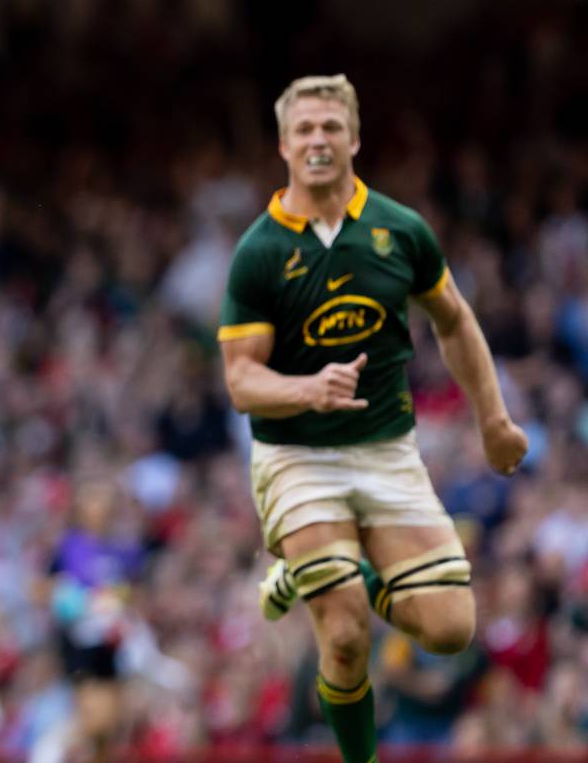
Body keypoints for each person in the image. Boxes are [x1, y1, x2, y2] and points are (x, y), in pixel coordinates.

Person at [218, 74, 529, 763]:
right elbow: (241, 382)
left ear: (354, 138)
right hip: (296, 456)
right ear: (283, 145)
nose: (318, 141)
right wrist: (307, 390)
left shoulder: (400, 230)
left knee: (450, 629)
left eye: (331, 127)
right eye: (304, 130)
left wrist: (494, 421)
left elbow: (454, 321)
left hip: (387, 453)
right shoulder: (260, 252)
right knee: (348, 635)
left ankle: (319, 570)